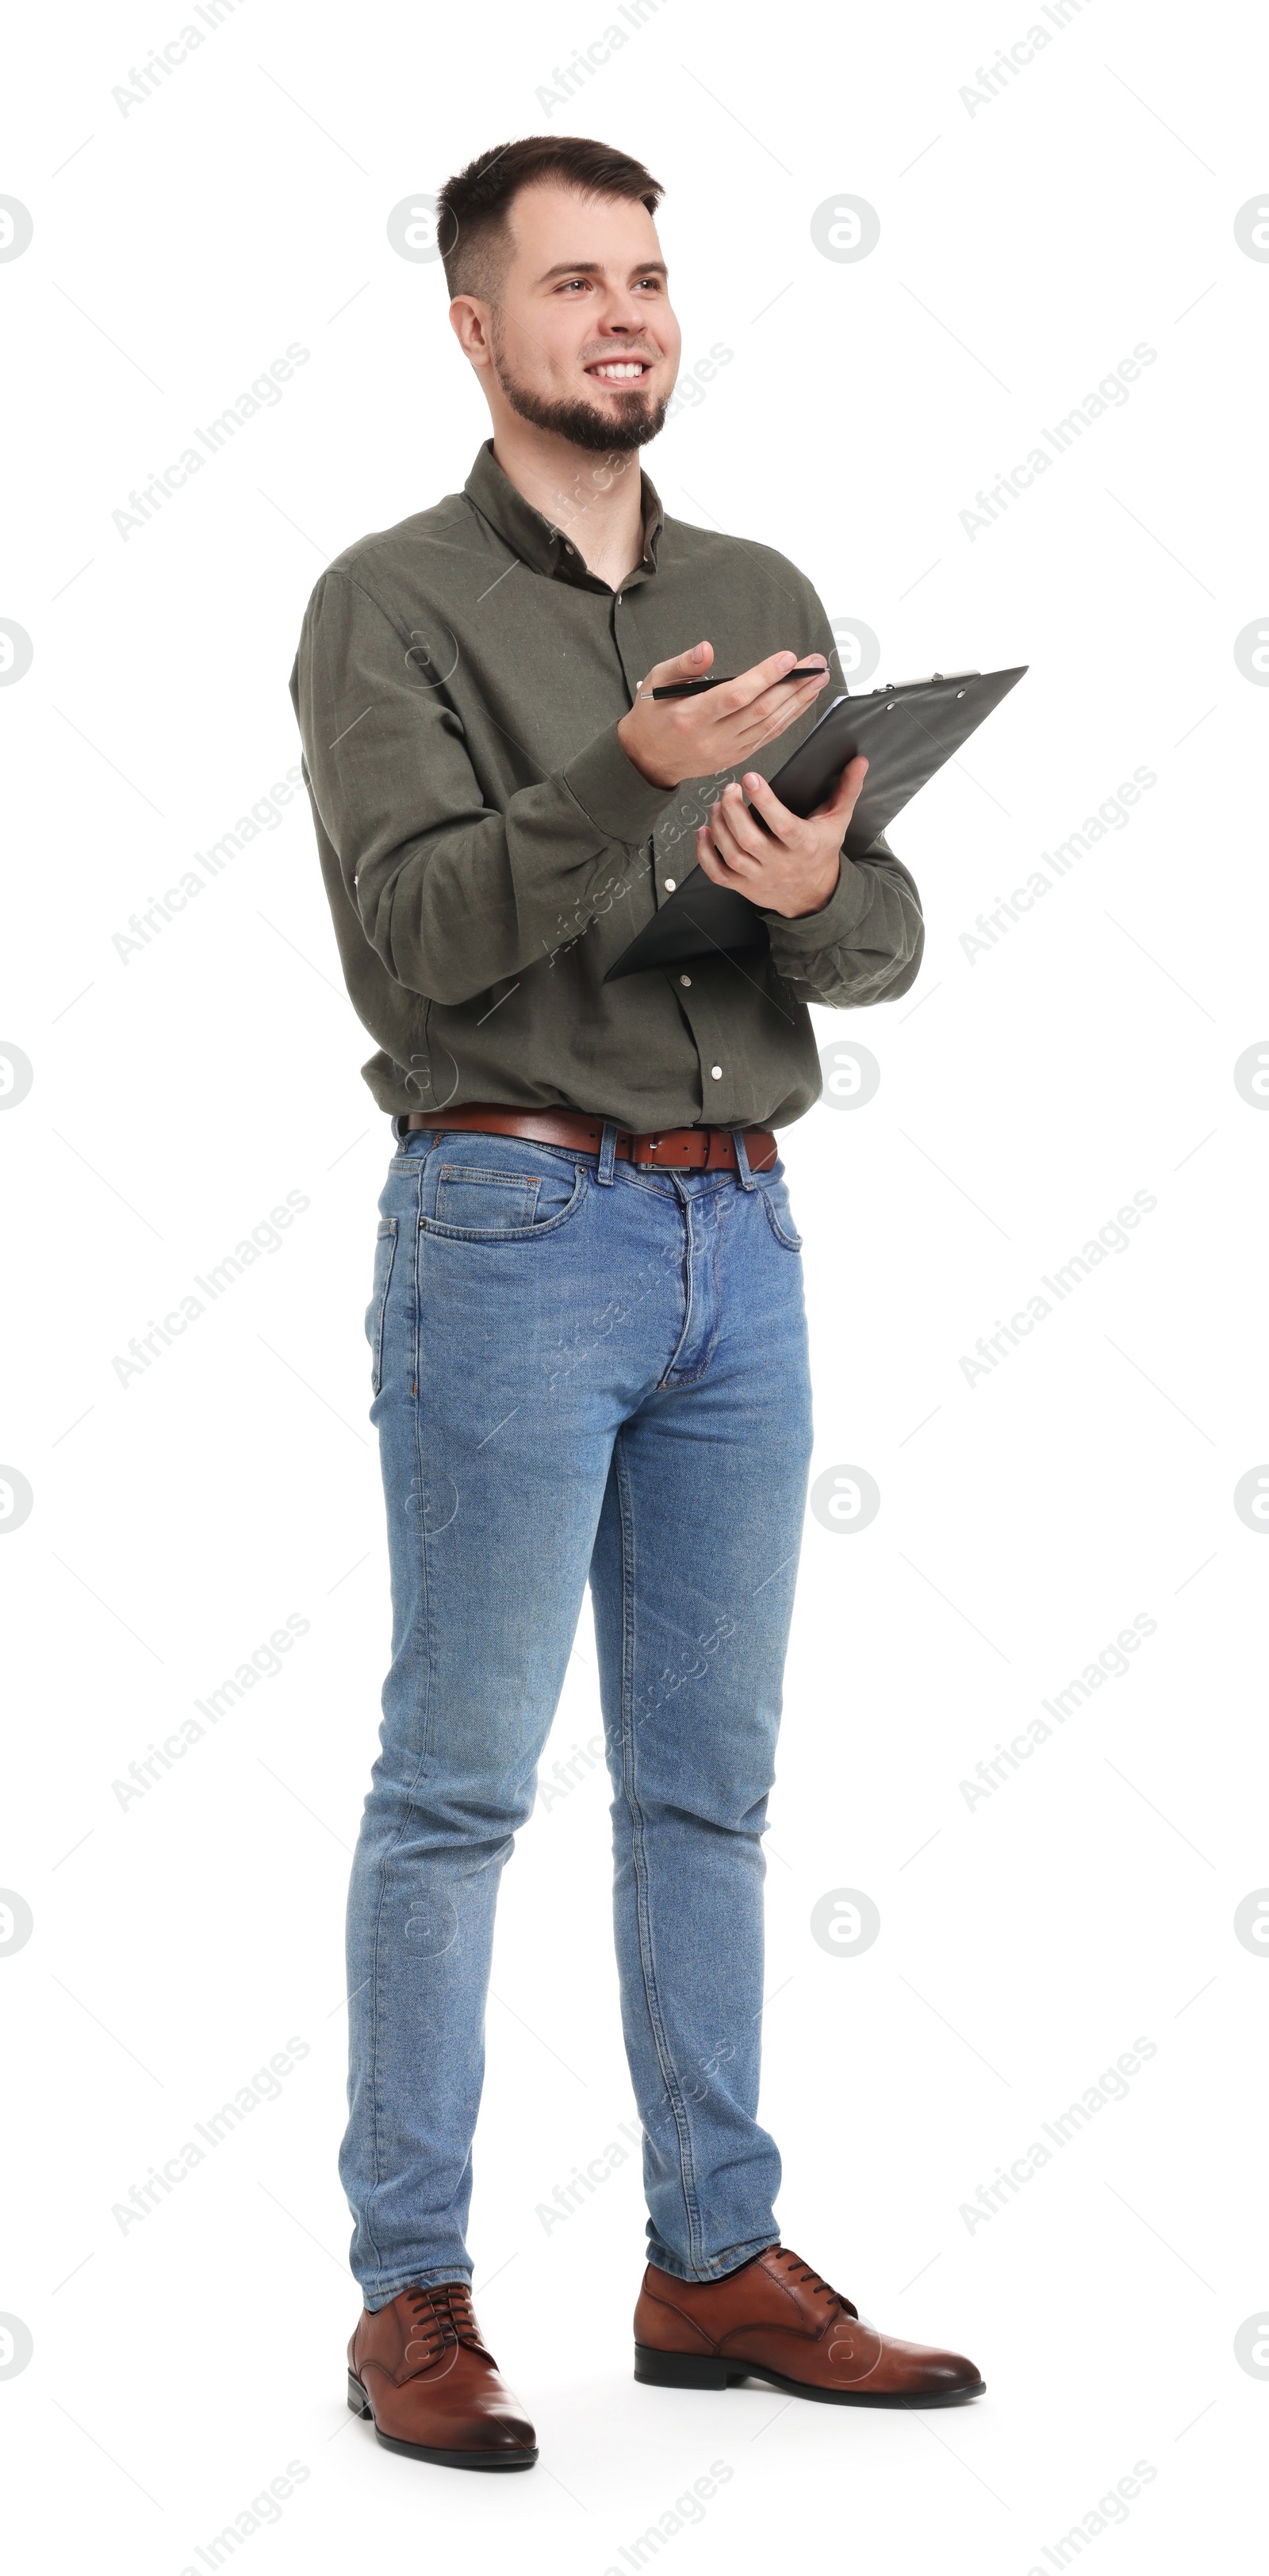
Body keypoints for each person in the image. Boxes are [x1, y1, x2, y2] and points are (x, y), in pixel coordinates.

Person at [290, 133, 983, 2473]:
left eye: (654, 279)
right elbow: (413, 941)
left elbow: (872, 942)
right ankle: (413, 2301)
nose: (627, 317)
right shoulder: (386, 605)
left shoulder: (761, 582)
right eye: (574, 282)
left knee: (709, 1794)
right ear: (475, 328)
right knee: (457, 1789)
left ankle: (713, 2261)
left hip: (737, 1240)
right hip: (506, 1232)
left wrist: (799, 883)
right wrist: (627, 778)